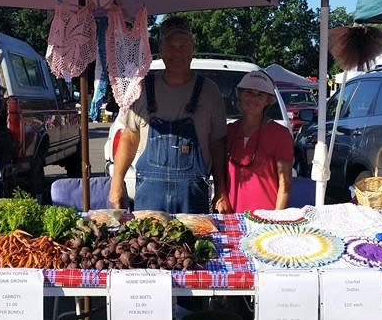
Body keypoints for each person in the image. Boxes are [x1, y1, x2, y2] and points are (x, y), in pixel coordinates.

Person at [109, 16, 230, 213]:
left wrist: (221, 191)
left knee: (194, 243)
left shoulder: (209, 91)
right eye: (171, 45)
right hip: (150, 194)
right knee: (146, 242)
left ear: (193, 49)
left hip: (192, 194)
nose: (177, 52)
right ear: (160, 49)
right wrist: (116, 184)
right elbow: (129, 138)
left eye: (183, 45)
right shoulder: (142, 88)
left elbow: (217, 144)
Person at [225, 71, 293, 212]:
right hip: (233, 216)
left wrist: (276, 220)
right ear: (240, 95)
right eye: (249, 92)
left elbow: (285, 185)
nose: (253, 99)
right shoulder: (229, 131)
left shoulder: (280, 134)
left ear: (268, 100)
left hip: (266, 218)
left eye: (260, 95)